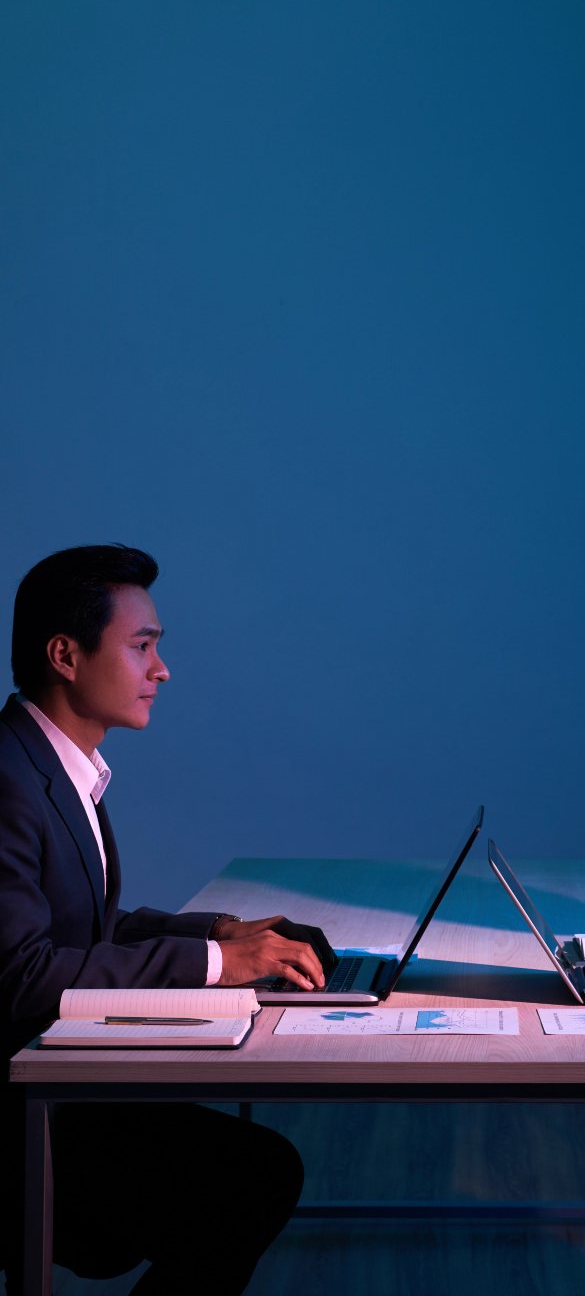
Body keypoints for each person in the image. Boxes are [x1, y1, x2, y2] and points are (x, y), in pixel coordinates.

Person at [0, 544, 336, 1295]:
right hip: (25, 1110)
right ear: (66, 656)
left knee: (252, 1171)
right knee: (253, 1177)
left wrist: (220, 934)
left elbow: (82, 928)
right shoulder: (9, 779)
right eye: (142, 646)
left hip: (59, 1083)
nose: (162, 670)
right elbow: (22, 974)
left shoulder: (50, 764)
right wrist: (219, 968)